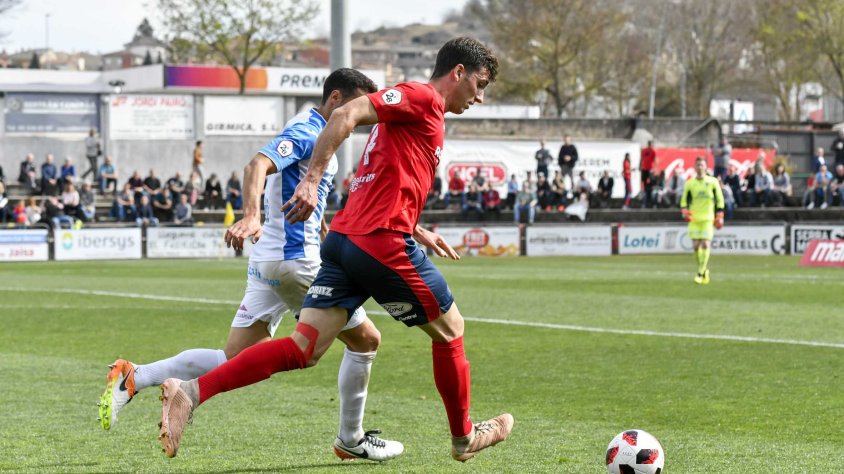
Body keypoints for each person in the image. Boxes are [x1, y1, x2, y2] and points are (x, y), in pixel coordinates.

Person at [156, 37, 512, 462]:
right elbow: (345, 113)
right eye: (480, 84)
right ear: (458, 72)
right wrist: (311, 179)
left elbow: (384, 179)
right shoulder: (421, 97)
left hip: (346, 242)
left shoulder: (414, 113)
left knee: (304, 347)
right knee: (451, 329)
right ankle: (464, 437)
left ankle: (191, 392)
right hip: (380, 241)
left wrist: (415, 227)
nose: (479, 96)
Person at [100, 69, 405, 461]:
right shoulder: (309, 131)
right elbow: (255, 165)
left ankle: (135, 376)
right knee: (365, 341)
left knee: (232, 357)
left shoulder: (317, 131)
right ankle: (351, 438)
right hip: (295, 261)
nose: (361, 116)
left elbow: (303, 193)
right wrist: (251, 215)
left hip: (269, 261)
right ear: (334, 98)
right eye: (357, 105)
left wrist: (321, 227)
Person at [681, 156, 724, 285]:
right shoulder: (690, 183)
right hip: (694, 219)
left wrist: (720, 214)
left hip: (708, 219)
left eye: (702, 165)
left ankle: (700, 273)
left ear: (706, 167)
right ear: (695, 167)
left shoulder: (713, 182)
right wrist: (684, 211)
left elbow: (720, 199)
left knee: (705, 244)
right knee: (695, 246)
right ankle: (704, 271)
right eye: (698, 165)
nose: (700, 167)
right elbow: (684, 200)